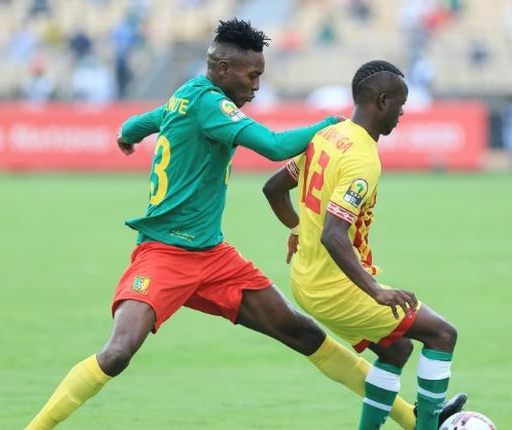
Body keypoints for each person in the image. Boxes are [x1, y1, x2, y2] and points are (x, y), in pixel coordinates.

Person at [26, 19, 422, 429]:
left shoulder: (188, 94)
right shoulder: (212, 105)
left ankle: (415, 420)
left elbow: (151, 118)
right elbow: (273, 147)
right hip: (163, 254)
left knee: (303, 334)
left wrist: (127, 133)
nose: (256, 85)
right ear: (221, 69)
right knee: (118, 352)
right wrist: (332, 126)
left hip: (214, 257)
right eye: (252, 76)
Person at [262, 60, 467, 429]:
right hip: (336, 287)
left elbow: (273, 188)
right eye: (401, 107)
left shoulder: (328, 135)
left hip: (306, 278)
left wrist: (297, 229)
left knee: (396, 348)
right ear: (383, 101)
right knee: (441, 334)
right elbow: (333, 234)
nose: (402, 115)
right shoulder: (362, 159)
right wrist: (376, 290)